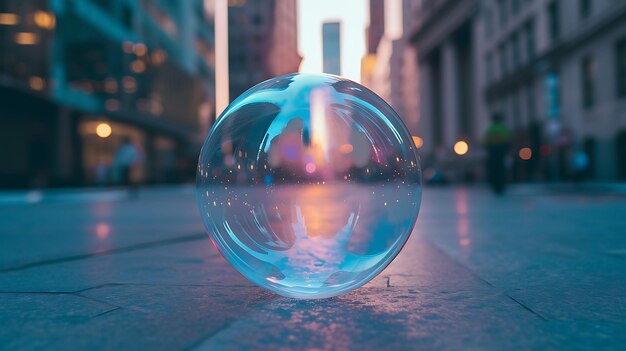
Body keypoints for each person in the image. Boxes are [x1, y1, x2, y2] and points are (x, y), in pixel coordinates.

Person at [484, 113, 513, 195]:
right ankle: (502, 185)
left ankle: (495, 185)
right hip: (502, 154)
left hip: (493, 154)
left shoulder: (490, 130)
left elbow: (486, 143)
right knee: (502, 169)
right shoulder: (504, 129)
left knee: (494, 170)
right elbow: (509, 141)